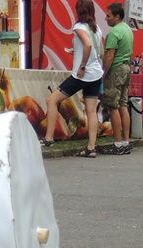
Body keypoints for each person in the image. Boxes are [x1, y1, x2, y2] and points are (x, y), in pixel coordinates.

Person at [39, 0, 103, 157]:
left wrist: (81, 65)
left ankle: (49, 138)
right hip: (96, 74)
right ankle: (91, 147)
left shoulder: (79, 27)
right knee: (91, 111)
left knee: (52, 100)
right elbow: (97, 51)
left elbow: (87, 46)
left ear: (79, 11)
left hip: (82, 74)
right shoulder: (96, 28)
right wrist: (77, 52)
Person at [100, 3, 133, 154]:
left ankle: (118, 144)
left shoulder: (113, 33)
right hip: (126, 68)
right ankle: (126, 142)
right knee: (123, 104)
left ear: (117, 16)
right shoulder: (127, 29)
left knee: (113, 106)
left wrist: (103, 73)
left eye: (108, 16)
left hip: (116, 70)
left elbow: (109, 56)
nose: (106, 18)